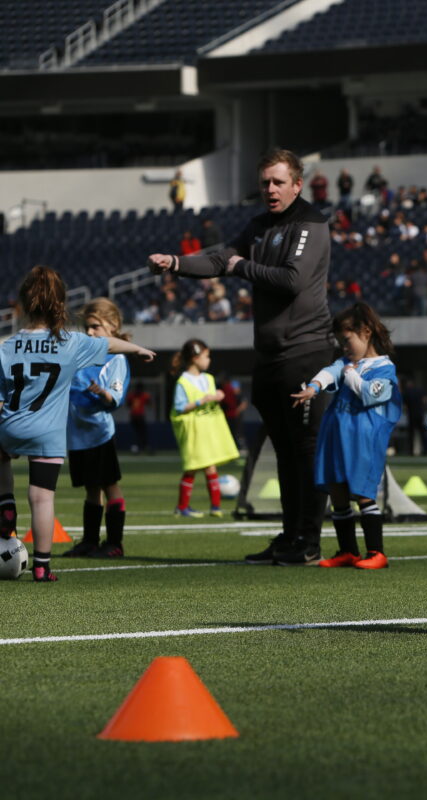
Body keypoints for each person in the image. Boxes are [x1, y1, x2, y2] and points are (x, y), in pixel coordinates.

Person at [148, 148, 334, 566]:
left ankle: (309, 540)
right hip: (269, 357)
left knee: (306, 450)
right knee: (283, 451)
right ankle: (289, 537)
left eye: (278, 182)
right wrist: (177, 262)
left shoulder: (310, 223)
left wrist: (238, 267)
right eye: (265, 182)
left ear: (297, 184)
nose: (270, 189)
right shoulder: (258, 226)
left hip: (307, 353)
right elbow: (220, 256)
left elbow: (291, 280)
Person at [0, 266, 155, 582]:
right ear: (60, 304)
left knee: (1, 459)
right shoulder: (70, 342)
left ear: (23, 305)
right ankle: (42, 567)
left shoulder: (6, 344)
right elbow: (109, 345)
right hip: (47, 433)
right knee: (42, 498)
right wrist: (137, 348)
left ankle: (4, 505)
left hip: (10, 425)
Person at [291, 303, 402, 570]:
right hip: (337, 437)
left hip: (361, 441)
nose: (344, 347)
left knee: (362, 492)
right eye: (340, 342)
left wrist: (349, 373)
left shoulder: (385, 368)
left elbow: (370, 393)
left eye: (347, 340)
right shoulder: (345, 363)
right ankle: (347, 551)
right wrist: (314, 387)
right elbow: (330, 371)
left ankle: (376, 552)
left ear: (366, 332)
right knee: (337, 492)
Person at [63, 299, 134, 558]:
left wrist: (101, 393)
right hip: (77, 433)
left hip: (99, 432)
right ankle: (90, 541)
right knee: (90, 487)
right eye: (87, 327)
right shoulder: (83, 355)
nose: (90, 332)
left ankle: (115, 543)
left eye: (95, 326)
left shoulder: (115, 358)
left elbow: (114, 397)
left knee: (109, 484)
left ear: (113, 326)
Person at [169, 340, 240, 518]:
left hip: (208, 431)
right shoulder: (183, 382)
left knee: (210, 466)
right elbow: (179, 407)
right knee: (193, 467)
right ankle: (182, 507)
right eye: (206, 356)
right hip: (194, 431)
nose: (209, 360)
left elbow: (212, 397)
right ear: (195, 358)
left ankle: (215, 507)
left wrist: (218, 396)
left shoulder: (208, 378)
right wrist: (202, 400)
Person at [127, 381, 152, 454]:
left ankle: (139, 447)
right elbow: (149, 403)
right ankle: (141, 447)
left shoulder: (133, 395)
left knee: (140, 433)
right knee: (140, 433)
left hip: (136, 416)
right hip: (138, 416)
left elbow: (128, 404)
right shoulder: (143, 395)